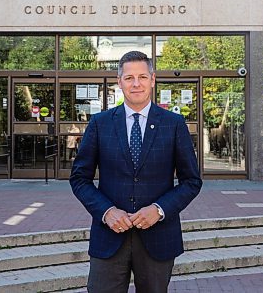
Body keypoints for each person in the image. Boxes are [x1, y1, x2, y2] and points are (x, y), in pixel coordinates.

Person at [70, 51, 202, 293]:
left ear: (153, 79)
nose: (136, 83)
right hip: (109, 236)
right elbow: (79, 178)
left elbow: (191, 181)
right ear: (119, 82)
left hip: (158, 236)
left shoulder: (174, 124)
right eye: (129, 78)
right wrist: (106, 212)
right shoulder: (100, 123)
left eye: (142, 76)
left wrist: (159, 210)